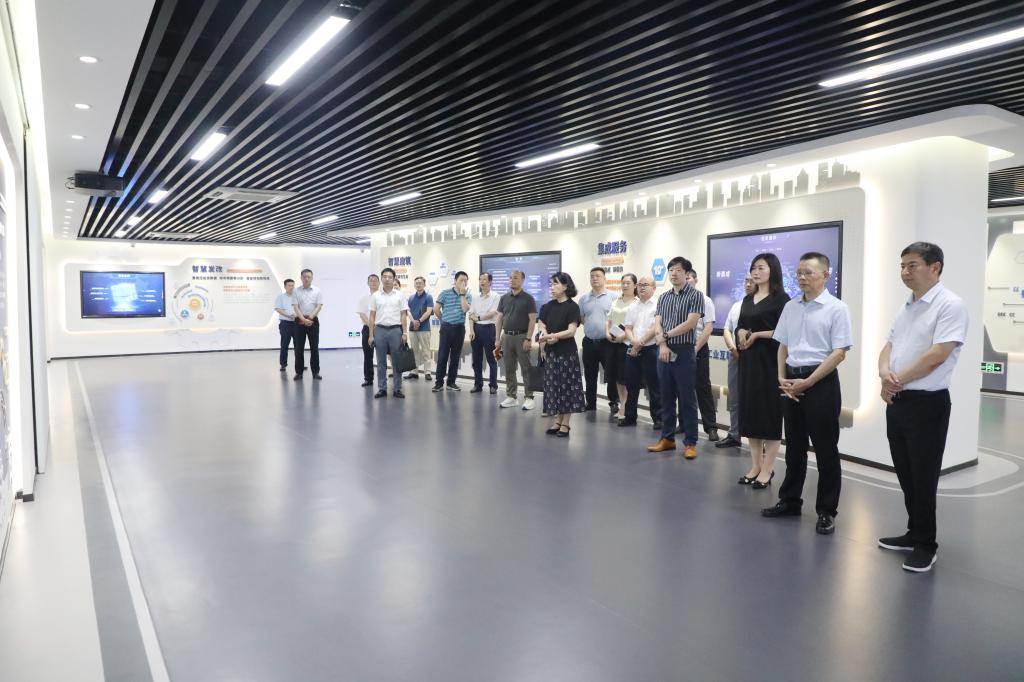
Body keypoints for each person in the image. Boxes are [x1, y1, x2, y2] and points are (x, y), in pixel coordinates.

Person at [877, 242, 968, 573]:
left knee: (923, 475)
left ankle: (927, 545)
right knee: (905, 471)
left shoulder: (950, 305)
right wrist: (884, 374)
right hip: (899, 400)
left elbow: (938, 354)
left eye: (912, 265)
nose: (905, 272)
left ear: (935, 267)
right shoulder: (907, 307)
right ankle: (914, 532)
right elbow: (888, 346)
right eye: (902, 266)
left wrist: (896, 380)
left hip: (928, 403)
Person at [761, 253, 853, 536]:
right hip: (791, 381)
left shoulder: (837, 308)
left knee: (826, 449)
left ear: (825, 275)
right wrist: (781, 377)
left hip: (820, 382)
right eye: (799, 272)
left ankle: (826, 511)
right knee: (795, 446)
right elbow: (782, 345)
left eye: (808, 272)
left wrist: (809, 381)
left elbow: (839, 353)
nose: (802, 277)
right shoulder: (791, 306)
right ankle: (790, 500)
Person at [735, 254, 789, 487]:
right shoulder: (748, 299)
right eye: (753, 268)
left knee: (769, 417)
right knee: (751, 416)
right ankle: (755, 466)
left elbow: (785, 331)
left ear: (772, 270)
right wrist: (740, 332)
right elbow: (740, 325)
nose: (755, 272)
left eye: (761, 268)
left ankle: (768, 469)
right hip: (748, 363)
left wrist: (757, 334)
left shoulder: (782, 299)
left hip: (770, 363)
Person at [646, 257, 704, 458]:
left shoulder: (696, 295)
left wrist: (666, 336)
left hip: (684, 350)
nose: (673, 273)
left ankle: (690, 443)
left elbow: (690, 323)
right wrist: (662, 344)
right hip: (663, 350)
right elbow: (657, 323)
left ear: (686, 273)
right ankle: (667, 438)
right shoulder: (663, 297)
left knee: (687, 398)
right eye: (671, 269)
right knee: (666, 396)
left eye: (678, 270)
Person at [538, 272, 586, 437]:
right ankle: (557, 421)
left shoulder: (572, 307)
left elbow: (571, 331)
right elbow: (541, 325)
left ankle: (565, 423)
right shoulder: (547, 306)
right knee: (553, 387)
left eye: (556, 283)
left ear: (565, 286)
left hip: (567, 353)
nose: (552, 287)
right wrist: (545, 338)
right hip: (551, 352)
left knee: (567, 388)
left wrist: (554, 336)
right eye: (551, 284)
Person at [716, 275, 755, 449]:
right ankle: (734, 434)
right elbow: (727, 329)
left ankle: (759, 438)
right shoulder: (737, 305)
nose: (748, 284)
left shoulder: (765, 306)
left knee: (756, 399)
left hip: (756, 359)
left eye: (752, 281)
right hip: (735, 356)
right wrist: (732, 348)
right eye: (746, 281)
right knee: (735, 397)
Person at [622, 275, 662, 428]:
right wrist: (634, 342)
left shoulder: (658, 305)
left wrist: (640, 343)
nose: (642, 287)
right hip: (633, 348)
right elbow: (628, 327)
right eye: (639, 285)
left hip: (651, 349)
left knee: (654, 385)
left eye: (645, 284)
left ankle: (658, 419)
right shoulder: (633, 305)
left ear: (654, 288)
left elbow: (655, 327)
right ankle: (630, 416)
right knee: (631, 385)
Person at [494, 270, 538, 410]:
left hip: (522, 337)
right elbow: (499, 319)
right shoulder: (504, 298)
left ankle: (529, 397)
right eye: (510, 278)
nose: (512, 280)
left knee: (526, 368)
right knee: (509, 368)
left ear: (522, 280)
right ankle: (511, 396)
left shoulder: (528, 298)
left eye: (515, 278)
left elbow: (532, 320)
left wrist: (528, 338)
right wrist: (497, 339)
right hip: (506, 337)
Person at [578, 267, 619, 413]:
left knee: (611, 373)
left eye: (598, 276)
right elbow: (582, 318)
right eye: (592, 276)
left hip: (607, 342)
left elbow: (617, 319)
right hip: (589, 341)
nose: (594, 278)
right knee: (590, 374)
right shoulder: (583, 299)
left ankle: (613, 402)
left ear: (604, 279)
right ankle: (590, 403)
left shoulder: (613, 297)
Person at [686, 269, 720, 441]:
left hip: (698, 348)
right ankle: (683, 423)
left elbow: (708, 328)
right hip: (681, 347)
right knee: (683, 388)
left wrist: (695, 349)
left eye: (689, 278)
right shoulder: (679, 300)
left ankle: (711, 427)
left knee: (703, 388)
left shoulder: (705, 300)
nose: (686, 281)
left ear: (696, 280)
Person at [367, 268, 409, 398]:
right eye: (384, 276)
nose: (387, 279)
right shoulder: (375, 296)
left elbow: (403, 315)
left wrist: (405, 333)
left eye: (389, 277)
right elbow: (372, 316)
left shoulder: (400, 295)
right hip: (380, 330)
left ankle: (397, 389)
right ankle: (382, 388)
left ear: (394, 278)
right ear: (381, 279)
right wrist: (371, 335)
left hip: (396, 330)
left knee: (397, 361)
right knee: (381, 362)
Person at [433, 271, 472, 392]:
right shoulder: (445, 293)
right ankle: (439, 383)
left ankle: (451, 382)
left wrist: (462, 294)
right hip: (446, 328)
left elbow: (465, 309)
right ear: (455, 281)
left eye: (465, 280)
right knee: (442, 356)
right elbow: (436, 309)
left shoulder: (468, 295)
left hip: (459, 328)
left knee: (455, 357)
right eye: (461, 280)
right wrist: (443, 320)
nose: (463, 282)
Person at [607, 274, 638, 423]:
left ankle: (626, 408)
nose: (625, 286)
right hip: (613, 343)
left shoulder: (637, 303)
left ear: (635, 285)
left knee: (627, 378)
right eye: (623, 283)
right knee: (617, 378)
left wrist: (623, 337)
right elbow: (609, 320)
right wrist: (607, 333)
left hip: (627, 344)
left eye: (628, 283)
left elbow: (636, 325)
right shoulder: (616, 301)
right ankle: (622, 404)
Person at [468, 272, 501, 394]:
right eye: (480, 279)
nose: (482, 282)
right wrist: (471, 330)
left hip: (489, 329)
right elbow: (471, 315)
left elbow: (493, 313)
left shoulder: (496, 296)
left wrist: (478, 318)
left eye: (484, 279)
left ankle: (493, 385)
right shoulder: (475, 297)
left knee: (491, 359)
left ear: (490, 282)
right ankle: (478, 384)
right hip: (476, 329)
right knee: (476, 360)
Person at [292, 268, 323, 381]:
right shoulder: (296, 291)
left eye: (309, 277)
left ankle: (316, 372)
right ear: (301, 278)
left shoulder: (317, 291)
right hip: (299, 321)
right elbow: (296, 307)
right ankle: (299, 372)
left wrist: (310, 318)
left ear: (312, 278)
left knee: (314, 348)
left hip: (313, 321)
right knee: (298, 348)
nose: (306, 278)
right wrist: (303, 319)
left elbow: (319, 306)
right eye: (304, 276)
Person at [406, 276, 433, 382]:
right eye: (416, 283)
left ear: (424, 284)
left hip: (424, 328)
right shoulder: (411, 298)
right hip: (412, 328)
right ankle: (414, 372)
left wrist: (419, 321)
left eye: (420, 283)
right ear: (414, 285)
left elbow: (429, 311)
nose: (418, 285)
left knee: (426, 351)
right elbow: (408, 311)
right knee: (414, 351)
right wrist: (413, 321)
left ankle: (428, 372)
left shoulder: (428, 297)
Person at [357, 274, 380, 387]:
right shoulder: (364, 298)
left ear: (379, 283)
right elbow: (362, 314)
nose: (373, 282)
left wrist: (376, 326)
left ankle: (383, 379)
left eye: (375, 280)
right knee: (368, 355)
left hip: (381, 329)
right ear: (368, 283)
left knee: (382, 356)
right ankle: (368, 379)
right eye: (371, 280)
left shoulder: (383, 297)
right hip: (367, 329)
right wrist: (371, 326)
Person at [273, 278, 297, 373]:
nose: (291, 287)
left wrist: (297, 315)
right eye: (289, 285)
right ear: (285, 287)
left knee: (298, 345)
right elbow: (278, 309)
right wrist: (288, 315)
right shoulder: (281, 297)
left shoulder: (297, 297)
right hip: (285, 323)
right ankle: (283, 364)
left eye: (293, 285)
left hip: (297, 323)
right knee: (284, 345)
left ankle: (300, 364)